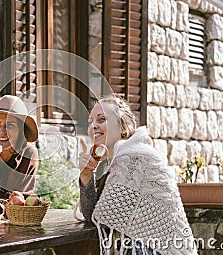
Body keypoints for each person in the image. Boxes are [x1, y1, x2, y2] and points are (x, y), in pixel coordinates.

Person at [78, 94, 197, 254]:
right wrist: (86, 175)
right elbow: (96, 216)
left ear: (123, 127)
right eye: (90, 121)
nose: (93, 126)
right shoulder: (116, 160)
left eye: (101, 119)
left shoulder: (133, 159)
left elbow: (100, 219)